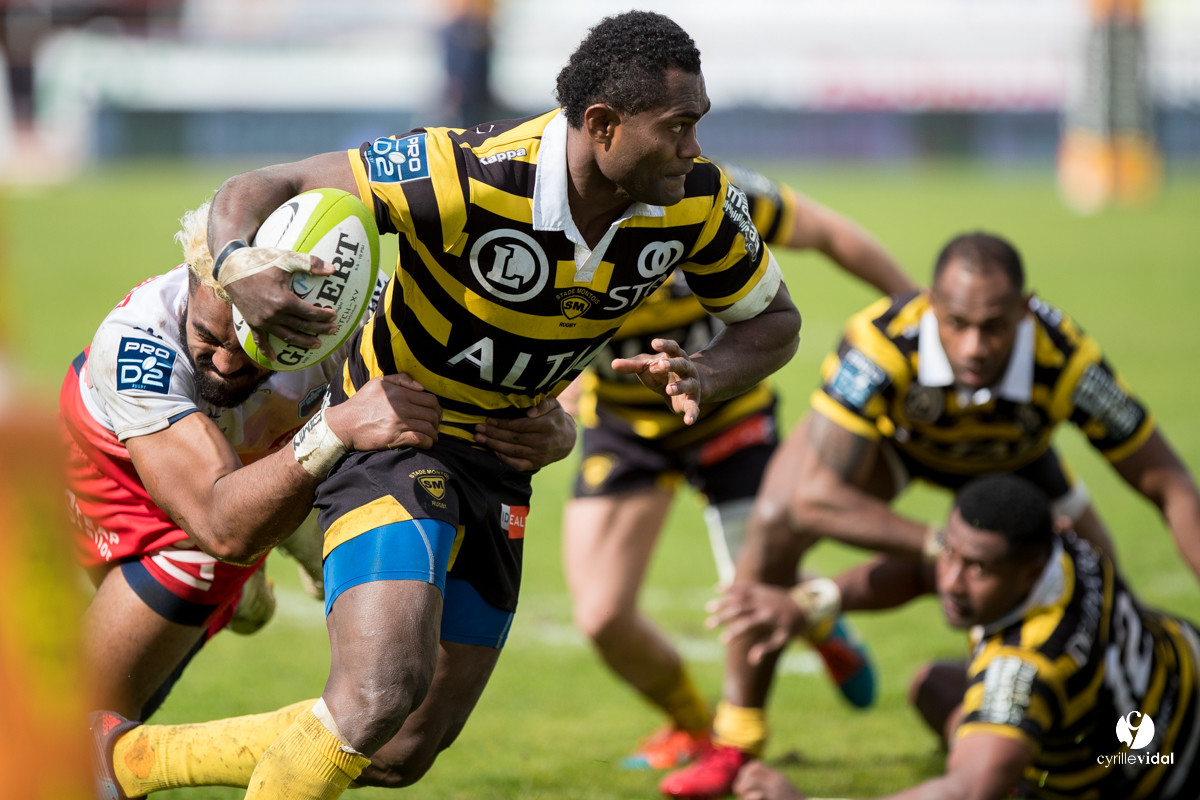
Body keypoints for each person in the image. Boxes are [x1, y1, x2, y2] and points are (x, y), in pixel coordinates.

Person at [94, 11, 801, 799]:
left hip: (503, 466)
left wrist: (707, 371)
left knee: (402, 751)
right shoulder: (464, 171)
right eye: (678, 125)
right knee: (375, 696)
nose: (695, 147)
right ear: (602, 126)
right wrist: (235, 260)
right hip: (394, 434)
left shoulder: (697, 201)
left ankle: (140, 760)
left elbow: (775, 322)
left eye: (698, 123)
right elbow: (268, 184)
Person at [662, 230, 1200, 798]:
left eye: (993, 326)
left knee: (1094, 585)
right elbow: (811, 497)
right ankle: (738, 733)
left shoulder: (1063, 356)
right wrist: (935, 547)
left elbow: (1169, 484)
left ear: (1023, 313)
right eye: (957, 324)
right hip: (906, 449)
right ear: (928, 305)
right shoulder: (884, 342)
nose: (974, 347)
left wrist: (949, 550)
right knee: (774, 519)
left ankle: (1082, 736)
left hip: (1017, 461)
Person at [71, 201, 575, 795]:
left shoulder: (354, 315)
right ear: (190, 285)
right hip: (124, 477)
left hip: (222, 518)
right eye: (209, 334)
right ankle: (278, 554)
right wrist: (334, 427)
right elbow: (221, 522)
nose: (229, 362)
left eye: (259, 345)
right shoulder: (135, 345)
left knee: (396, 747)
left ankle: (259, 564)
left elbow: (492, 381)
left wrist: (558, 429)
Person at [561, 160, 914, 770]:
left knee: (749, 595)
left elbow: (827, 232)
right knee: (600, 617)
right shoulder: (550, 217)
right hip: (624, 425)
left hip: (731, 413)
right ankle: (694, 723)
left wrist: (918, 312)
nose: (684, 142)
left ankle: (739, 739)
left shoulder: (718, 194)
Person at [712, 474, 1200, 800]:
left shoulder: (1026, 662)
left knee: (991, 758)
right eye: (951, 553)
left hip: (1158, 773)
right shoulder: (1060, 544)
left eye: (978, 568)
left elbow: (971, 787)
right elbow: (922, 573)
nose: (951, 581)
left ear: (1028, 572)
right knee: (934, 686)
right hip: (1185, 669)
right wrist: (808, 603)